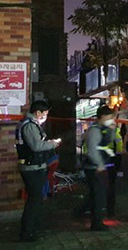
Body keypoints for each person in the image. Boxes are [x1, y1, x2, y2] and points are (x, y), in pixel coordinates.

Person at [15, 100, 61, 242]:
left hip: (35, 167)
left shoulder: (31, 124)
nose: (46, 116)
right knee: (34, 201)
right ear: (38, 112)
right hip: (32, 168)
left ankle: (33, 229)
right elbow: (36, 146)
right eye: (45, 113)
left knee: (36, 200)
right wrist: (52, 143)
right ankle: (28, 232)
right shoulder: (29, 125)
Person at [82, 105, 117, 231]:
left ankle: (83, 214)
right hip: (94, 167)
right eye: (109, 117)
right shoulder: (94, 130)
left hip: (98, 166)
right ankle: (96, 223)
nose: (111, 119)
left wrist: (112, 129)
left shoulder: (103, 129)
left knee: (97, 194)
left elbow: (108, 142)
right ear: (102, 117)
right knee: (98, 195)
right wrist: (100, 165)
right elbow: (92, 150)